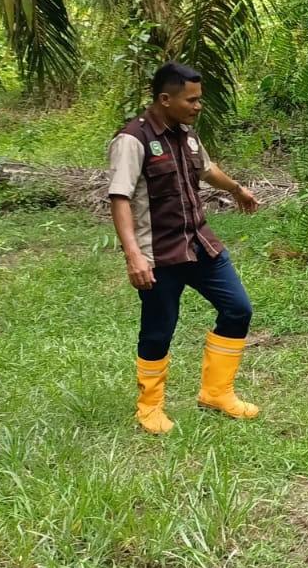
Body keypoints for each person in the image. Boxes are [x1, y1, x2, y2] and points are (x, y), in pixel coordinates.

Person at [108, 62, 263, 434]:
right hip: (158, 253)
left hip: (200, 244)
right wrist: (133, 255)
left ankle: (216, 393)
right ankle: (149, 407)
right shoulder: (133, 140)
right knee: (159, 331)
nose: (198, 106)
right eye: (191, 100)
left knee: (238, 309)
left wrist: (237, 189)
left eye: (199, 99)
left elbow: (207, 170)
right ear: (165, 99)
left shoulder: (187, 135)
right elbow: (119, 197)